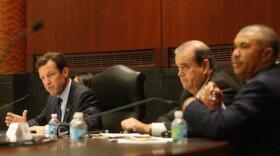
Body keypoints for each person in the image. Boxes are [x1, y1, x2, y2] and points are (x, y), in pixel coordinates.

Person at [182, 25, 280, 156]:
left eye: (244, 46)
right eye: (235, 47)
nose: (235, 53)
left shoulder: (262, 85)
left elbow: (221, 128)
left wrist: (190, 104)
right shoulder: (270, 78)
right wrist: (217, 109)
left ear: (266, 54)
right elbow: (242, 126)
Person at [121, 40, 240, 136]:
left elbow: (198, 127)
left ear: (205, 66)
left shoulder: (221, 86)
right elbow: (170, 117)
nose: (179, 74)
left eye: (185, 67)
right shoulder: (190, 90)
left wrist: (148, 128)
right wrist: (152, 129)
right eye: (178, 68)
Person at [5, 52, 102, 131]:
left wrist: (51, 128)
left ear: (65, 72)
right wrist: (24, 124)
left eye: (51, 75)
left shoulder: (83, 94)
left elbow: (91, 123)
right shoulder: (52, 98)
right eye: (42, 78)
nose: (47, 82)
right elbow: (40, 120)